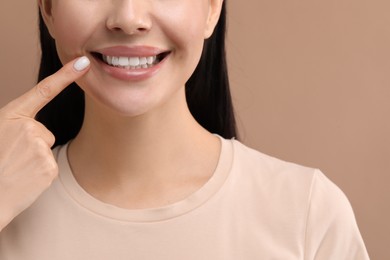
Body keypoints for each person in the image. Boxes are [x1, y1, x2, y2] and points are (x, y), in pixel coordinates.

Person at [0, 0, 369, 259]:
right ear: (48, 9)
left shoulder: (307, 212)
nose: (128, 18)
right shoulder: (7, 205)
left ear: (212, 8)